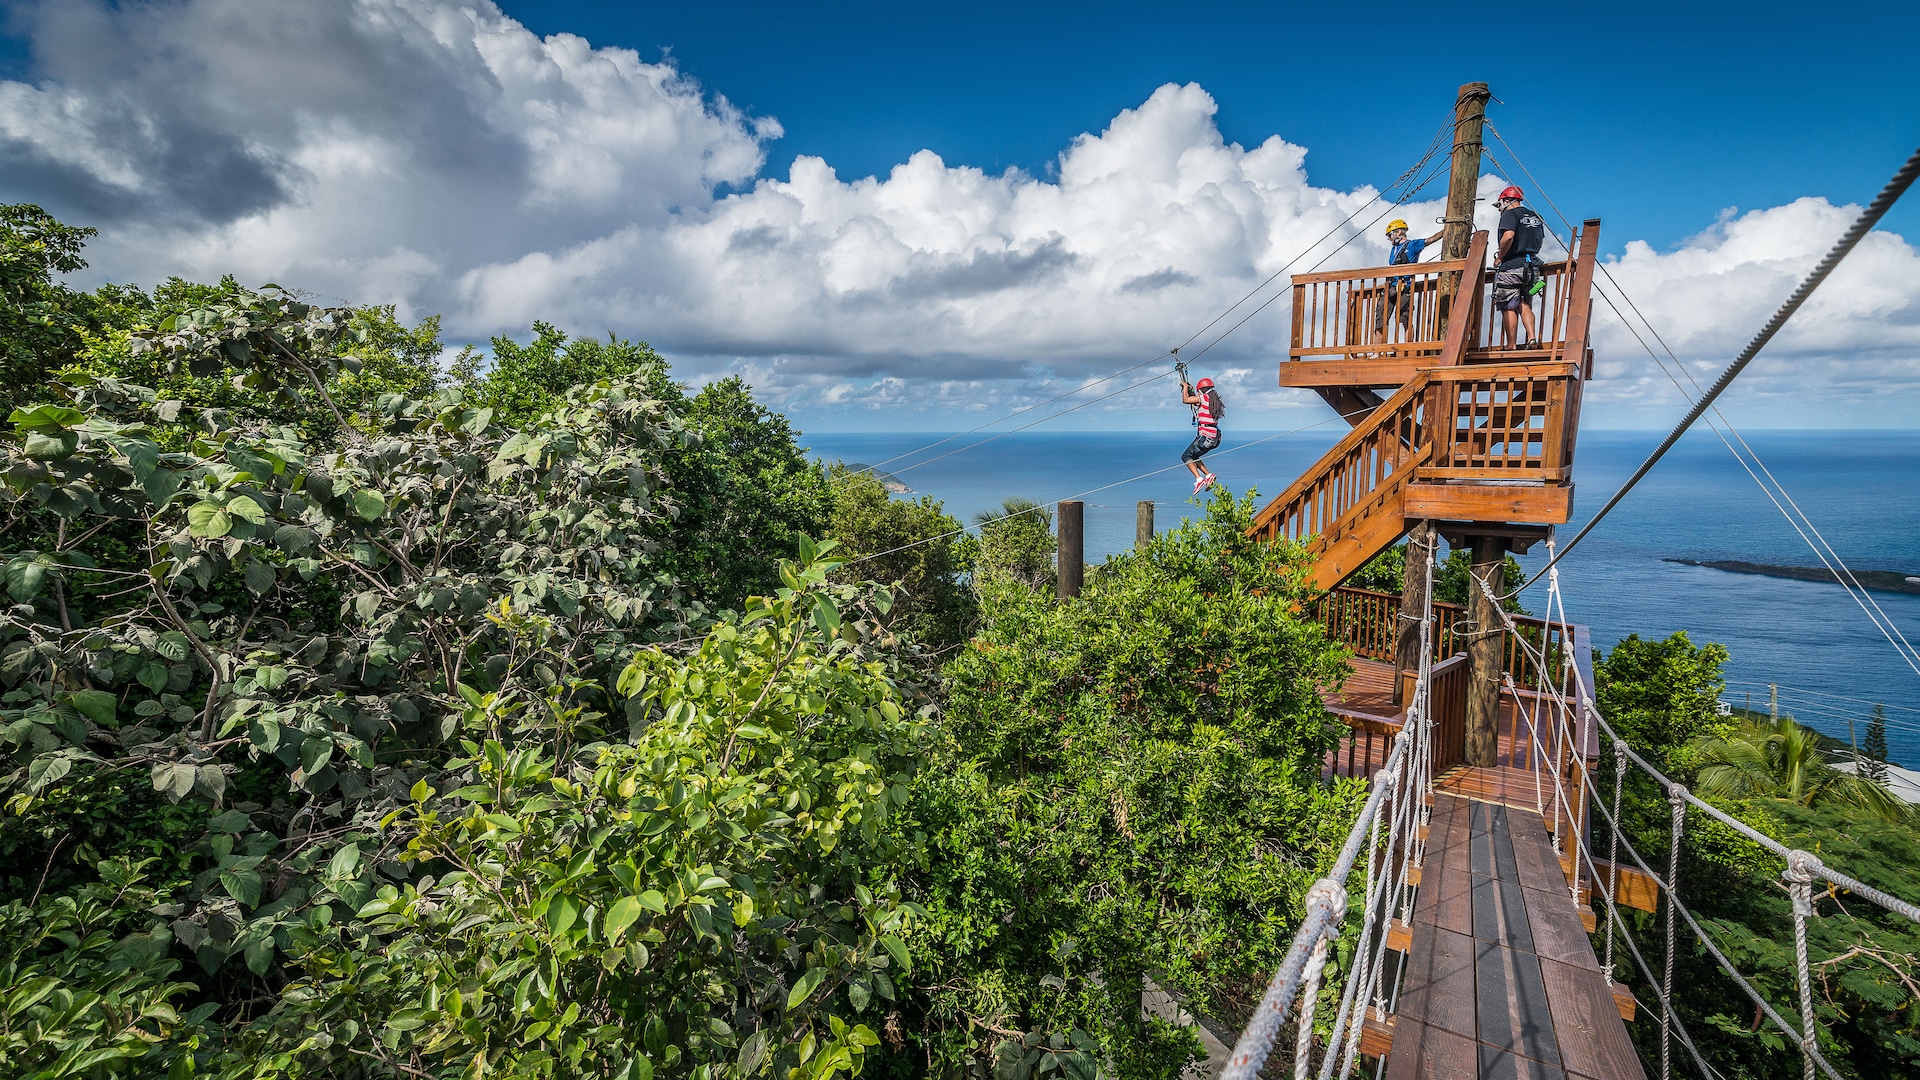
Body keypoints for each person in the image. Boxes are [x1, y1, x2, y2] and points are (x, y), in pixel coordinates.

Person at [1375, 218, 1444, 344]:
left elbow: (1431, 239)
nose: (1389, 238)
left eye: (1390, 235)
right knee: (1380, 317)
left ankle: (1407, 348)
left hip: (1405, 287)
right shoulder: (1394, 249)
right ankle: (1376, 351)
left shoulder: (1412, 245)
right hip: (1391, 286)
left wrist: (1447, 229)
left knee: (1405, 319)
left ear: (1399, 232)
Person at [1492, 185, 1546, 348]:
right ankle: (1531, 338)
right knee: (1525, 303)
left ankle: (1511, 344)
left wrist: (1500, 257)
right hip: (1532, 267)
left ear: (1507, 201)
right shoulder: (1536, 217)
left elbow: (1508, 237)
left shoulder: (1509, 214)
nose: (1499, 209)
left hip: (1512, 266)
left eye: (1500, 205)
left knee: (1508, 305)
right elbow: (1540, 239)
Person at [1180, 374, 1222, 493]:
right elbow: (1195, 403)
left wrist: (1184, 388)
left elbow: (1186, 400)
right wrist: (1190, 390)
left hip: (1206, 437)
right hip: (1215, 438)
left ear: (1202, 391)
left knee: (1186, 457)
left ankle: (1199, 479)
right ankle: (1208, 476)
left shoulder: (1204, 398)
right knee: (1194, 457)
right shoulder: (1213, 401)